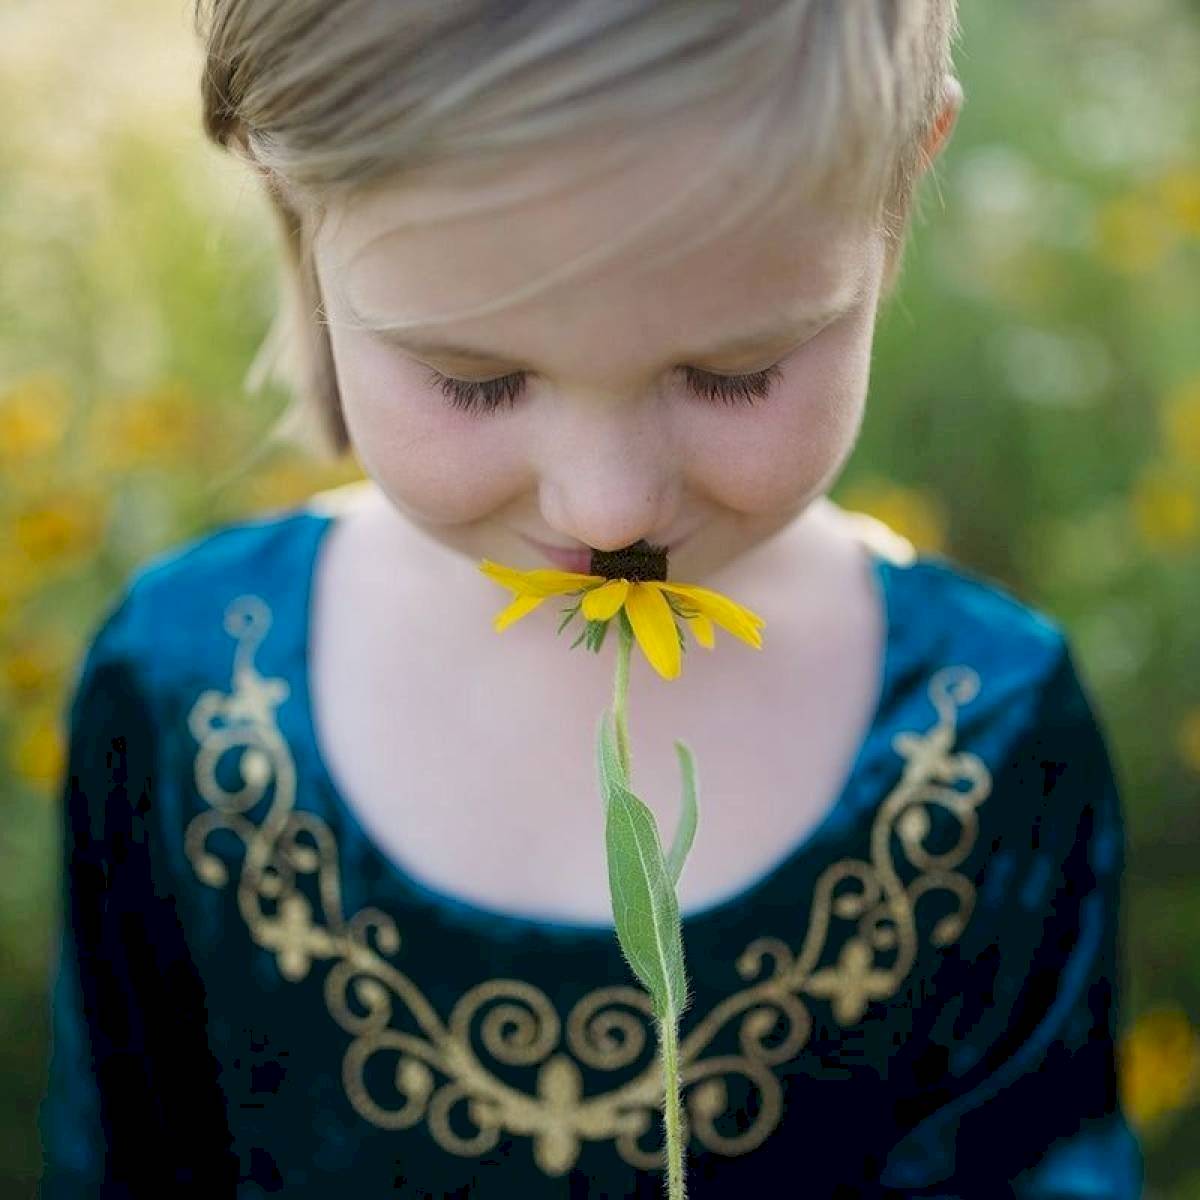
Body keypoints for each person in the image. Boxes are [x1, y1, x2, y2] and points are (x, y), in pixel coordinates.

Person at [38, 2, 1145, 1196]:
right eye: (477, 381)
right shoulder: (189, 693)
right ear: (297, 199)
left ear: (904, 174)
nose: (609, 512)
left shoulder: (980, 734)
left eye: (735, 375)